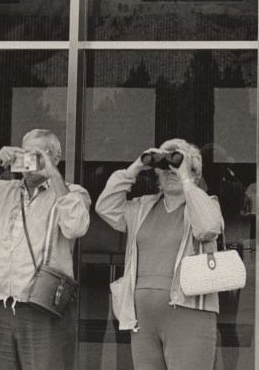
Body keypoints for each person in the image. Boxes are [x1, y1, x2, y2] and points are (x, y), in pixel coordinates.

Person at [0, 129, 90, 369]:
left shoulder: (72, 193)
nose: (30, 161)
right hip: (1, 302)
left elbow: (76, 227)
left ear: (55, 157)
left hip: (43, 305)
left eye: (38, 154)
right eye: (26, 153)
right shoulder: (2, 190)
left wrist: (52, 175)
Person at [96, 139, 224, 370]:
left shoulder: (205, 204)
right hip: (143, 316)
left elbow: (207, 227)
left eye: (177, 165)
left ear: (194, 174)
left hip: (189, 312)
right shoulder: (142, 207)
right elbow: (106, 207)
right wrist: (135, 166)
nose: (170, 172)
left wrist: (186, 179)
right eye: (164, 167)